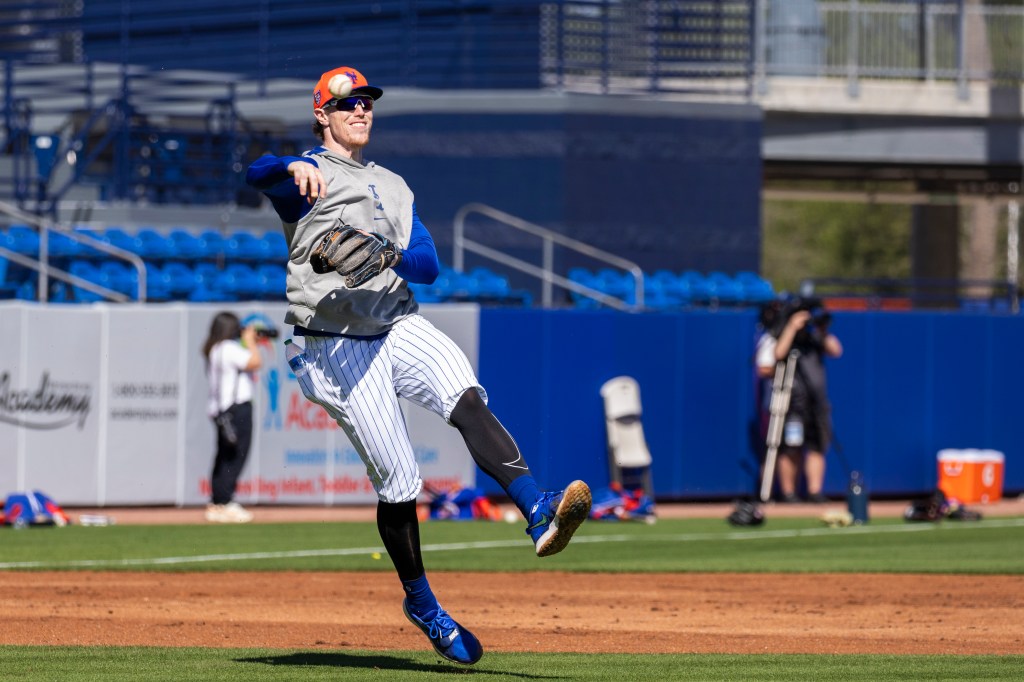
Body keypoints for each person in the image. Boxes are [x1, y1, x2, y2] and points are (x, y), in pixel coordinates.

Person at [244, 65, 592, 666]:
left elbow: (428, 264)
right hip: (336, 345)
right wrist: (285, 166)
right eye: (347, 103)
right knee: (402, 482)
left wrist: (390, 254)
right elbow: (255, 174)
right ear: (321, 115)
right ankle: (423, 603)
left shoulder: (394, 186)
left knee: (465, 394)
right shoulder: (308, 176)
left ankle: (537, 511)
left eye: (367, 103)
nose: (361, 111)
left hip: (395, 321)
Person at [755, 297, 842, 503]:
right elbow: (778, 354)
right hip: (792, 402)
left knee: (817, 447)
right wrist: (792, 327)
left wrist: (821, 329)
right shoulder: (780, 335)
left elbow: (836, 350)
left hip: (816, 403)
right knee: (790, 447)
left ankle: (814, 491)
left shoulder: (814, 339)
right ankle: (788, 492)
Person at [202, 311, 264, 523]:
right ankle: (225, 502)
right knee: (236, 456)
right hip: (237, 408)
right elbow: (255, 362)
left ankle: (218, 501)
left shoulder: (214, 349)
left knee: (224, 456)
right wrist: (250, 342)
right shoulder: (229, 348)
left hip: (221, 409)